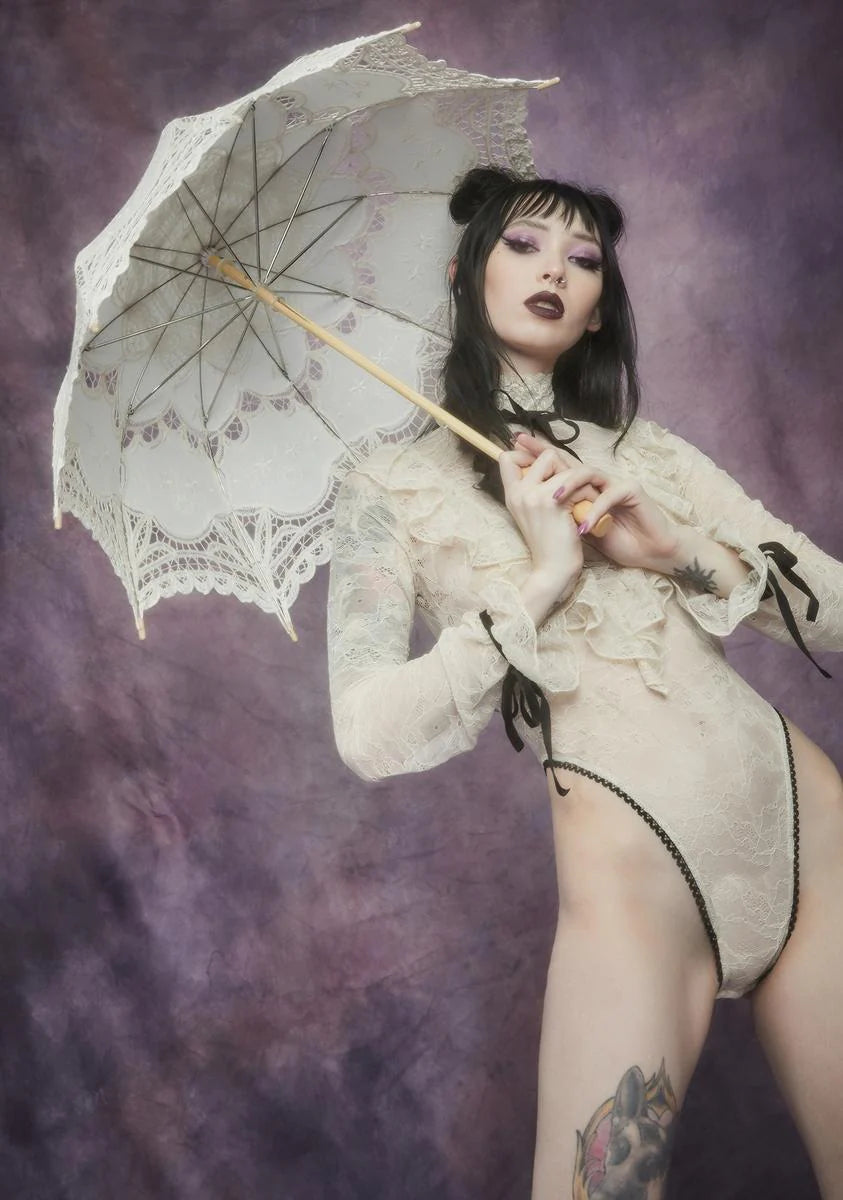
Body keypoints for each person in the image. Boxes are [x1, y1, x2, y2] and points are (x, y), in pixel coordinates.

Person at [326, 166, 843, 1199]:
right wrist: (542, 580)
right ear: (465, 270)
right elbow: (368, 733)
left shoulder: (648, 456)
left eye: (583, 259)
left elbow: (835, 604)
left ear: (600, 305)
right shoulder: (387, 487)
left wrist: (676, 549)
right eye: (522, 245)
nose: (554, 271)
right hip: (633, 892)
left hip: (807, 835)